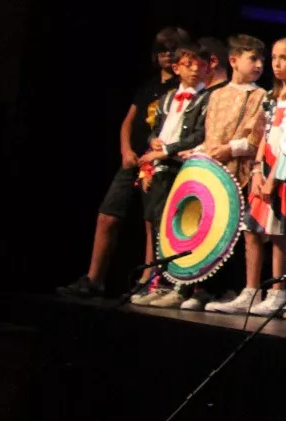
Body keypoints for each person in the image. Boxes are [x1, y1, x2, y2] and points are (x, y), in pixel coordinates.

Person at [60, 27, 189, 299]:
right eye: (163, 51)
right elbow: (128, 121)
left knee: (151, 221)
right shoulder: (148, 85)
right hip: (133, 159)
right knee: (107, 215)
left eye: (174, 51)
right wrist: (125, 150)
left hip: (157, 162)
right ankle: (94, 278)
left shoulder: (180, 89)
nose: (167, 57)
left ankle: (148, 278)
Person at [218, 36, 286, 315]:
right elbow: (263, 136)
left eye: (284, 58)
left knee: (278, 231)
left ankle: (278, 291)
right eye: (274, 58)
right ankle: (251, 291)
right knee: (252, 229)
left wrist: (274, 177)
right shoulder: (270, 96)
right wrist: (256, 169)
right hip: (264, 167)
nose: (276, 64)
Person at [185, 35, 268, 312]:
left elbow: (258, 138)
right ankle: (203, 287)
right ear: (233, 60)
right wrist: (200, 150)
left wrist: (231, 149)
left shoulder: (260, 96)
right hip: (213, 173)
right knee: (209, 229)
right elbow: (211, 133)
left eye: (261, 60)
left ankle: (234, 289)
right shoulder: (216, 95)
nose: (259, 65)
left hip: (240, 171)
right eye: (252, 58)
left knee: (239, 232)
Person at [136, 45, 213, 307]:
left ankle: (181, 282)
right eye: (188, 65)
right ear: (176, 68)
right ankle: (160, 280)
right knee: (160, 223)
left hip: (183, 165)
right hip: (162, 167)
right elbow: (157, 128)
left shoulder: (206, 99)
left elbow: (199, 135)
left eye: (199, 65)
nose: (194, 70)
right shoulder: (168, 98)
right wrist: (154, 141)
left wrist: (167, 149)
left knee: (184, 223)